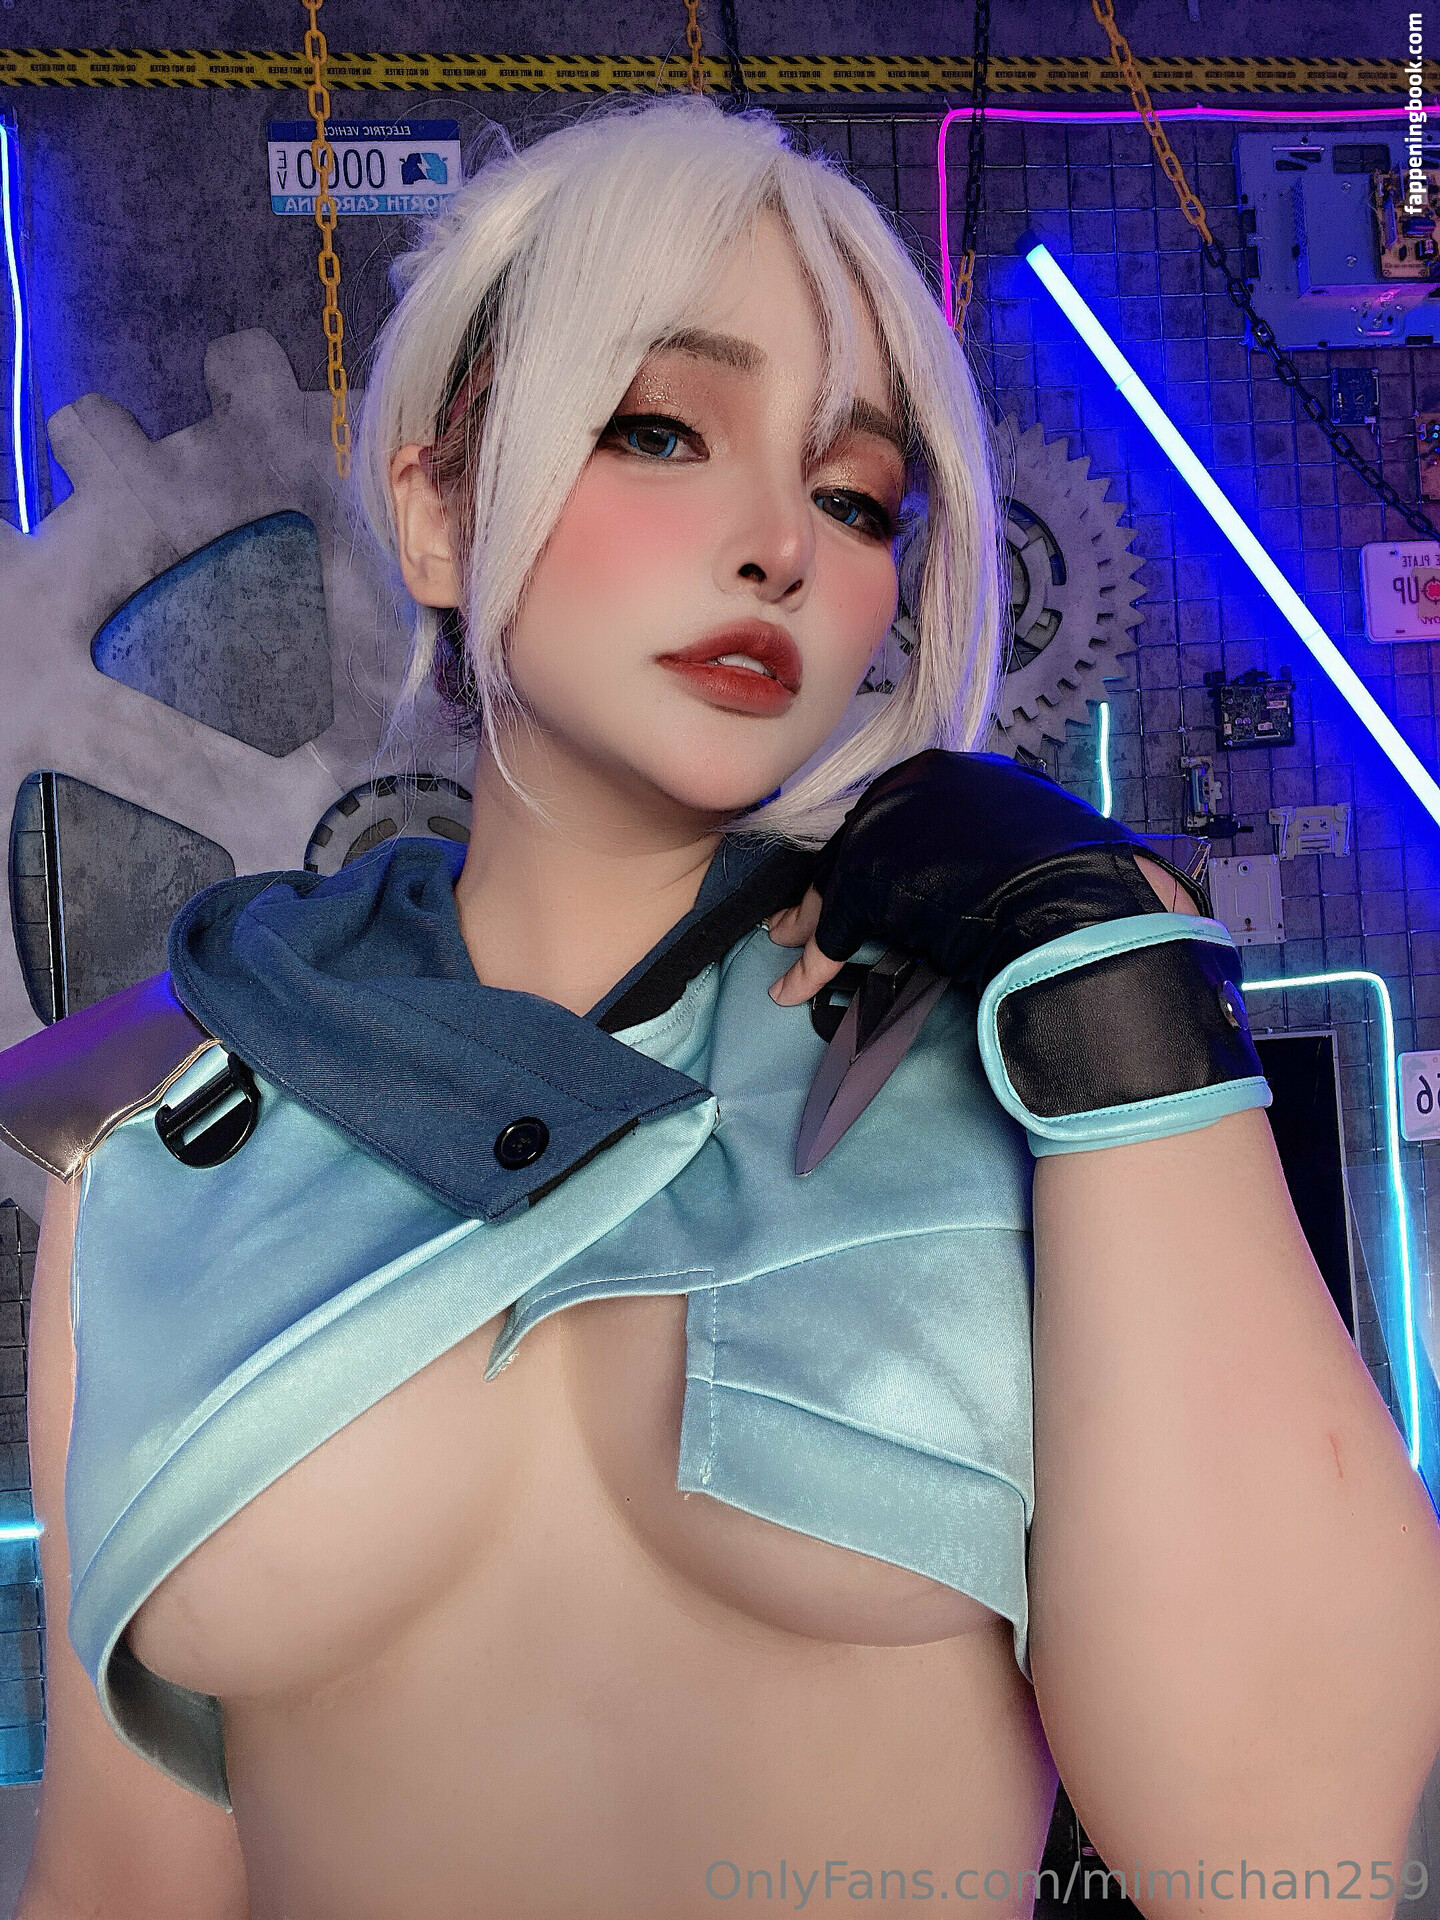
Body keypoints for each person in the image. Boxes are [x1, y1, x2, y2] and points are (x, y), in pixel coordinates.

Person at [13, 96, 1440, 1920]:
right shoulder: (154, 1138)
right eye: (661, 430)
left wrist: (1106, 970)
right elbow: (128, 1876)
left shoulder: (1030, 1056)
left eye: (853, 499)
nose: (779, 544)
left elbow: (1283, 1861)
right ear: (436, 509)